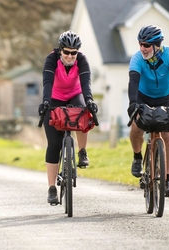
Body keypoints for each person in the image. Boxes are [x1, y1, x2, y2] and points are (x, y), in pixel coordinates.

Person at [127, 25, 169, 196]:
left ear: (157, 45)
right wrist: (133, 103)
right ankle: (138, 157)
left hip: (165, 97)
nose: (142, 48)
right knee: (136, 126)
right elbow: (133, 82)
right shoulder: (137, 58)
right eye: (140, 44)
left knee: (168, 135)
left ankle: (168, 180)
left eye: (146, 45)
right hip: (142, 96)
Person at [38, 30, 98, 205]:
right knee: (54, 144)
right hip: (54, 97)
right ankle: (51, 188)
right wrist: (46, 101)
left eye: (74, 52)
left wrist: (89, 100)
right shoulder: (51, 59)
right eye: (67, 52)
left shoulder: (82, 60)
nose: (71, 56)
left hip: (74, 94)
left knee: (84, 112)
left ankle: (82, 151)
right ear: (60, 50)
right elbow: (47, 82)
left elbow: (86, 83)